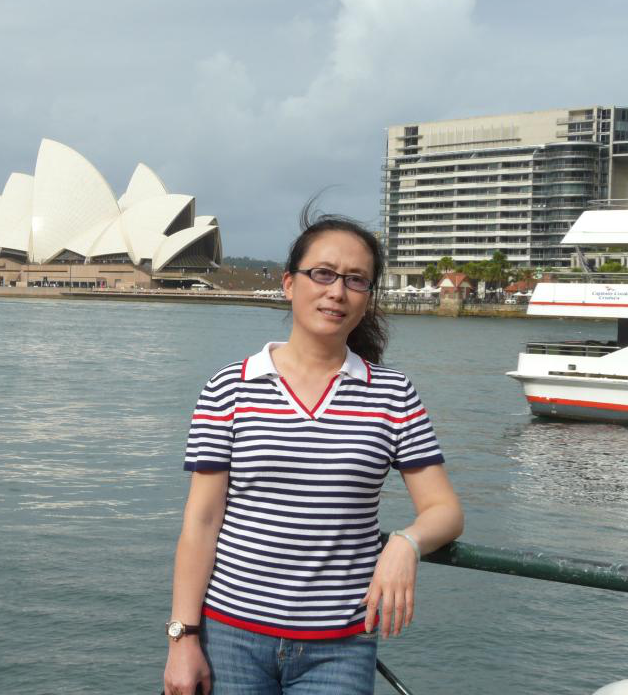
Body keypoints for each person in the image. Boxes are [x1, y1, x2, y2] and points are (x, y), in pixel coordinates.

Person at [162, 208, 464, 695]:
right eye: (322, 273)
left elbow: (444, 510)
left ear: (367, 297)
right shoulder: (229, 388)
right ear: (289, 284)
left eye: (356, 280)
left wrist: (405, 544)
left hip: (340, 646)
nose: (337, 291)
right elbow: (201, 520)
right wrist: (183, 638)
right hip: (230, 636)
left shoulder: (393, 395)